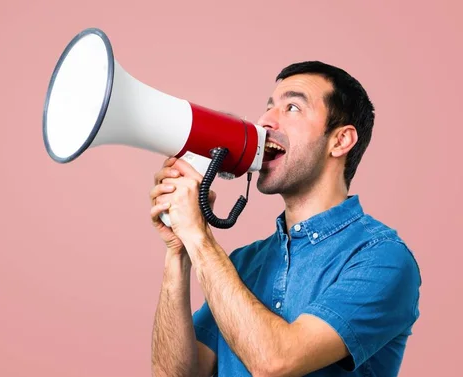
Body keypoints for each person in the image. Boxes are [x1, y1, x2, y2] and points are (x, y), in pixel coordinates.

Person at [149, 61, 421, 377]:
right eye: (268, 108)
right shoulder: (244, 263)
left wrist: (199, 236)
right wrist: (179, 250)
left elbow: (275, 363)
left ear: (340, 140)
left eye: (292, 107)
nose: (265, 121)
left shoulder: (380, 258)